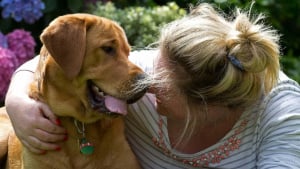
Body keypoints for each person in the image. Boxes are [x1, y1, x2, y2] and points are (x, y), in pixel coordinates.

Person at [4, 3, 300, 169]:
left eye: (158, 82)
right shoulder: (135, 76)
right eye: (152, 66)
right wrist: (17, 96)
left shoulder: (282, 116)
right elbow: (49, 60)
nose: (145, 83)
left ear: (205, 104)